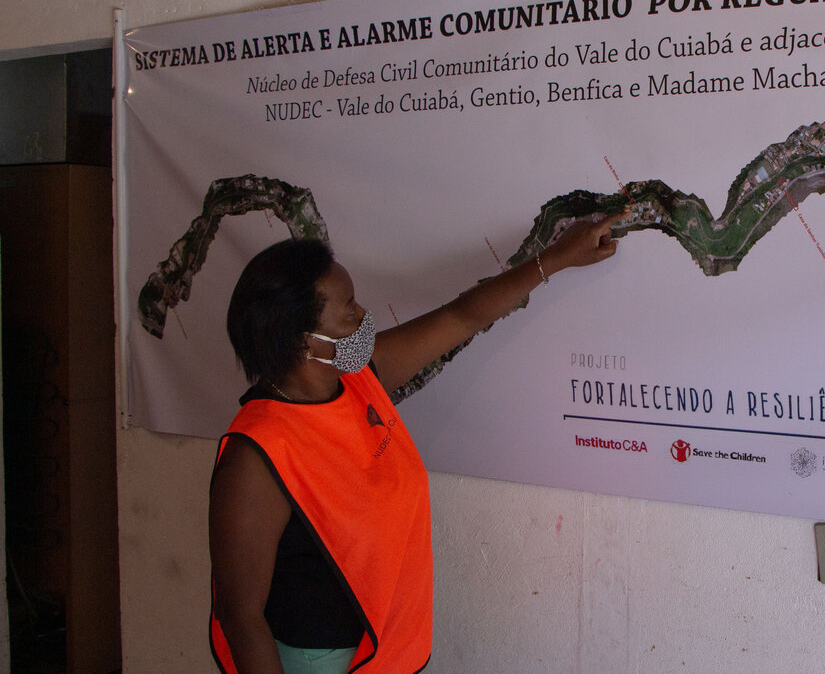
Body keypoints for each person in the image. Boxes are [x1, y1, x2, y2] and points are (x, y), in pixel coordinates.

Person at [210, 214, 623, 674]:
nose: (362, 317)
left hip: (383, 652)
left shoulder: (360, 382)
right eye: (348, 309)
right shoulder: (257, 454)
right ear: (305, 341)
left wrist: (558, 258)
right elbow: (240, 615)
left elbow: (461, 316)